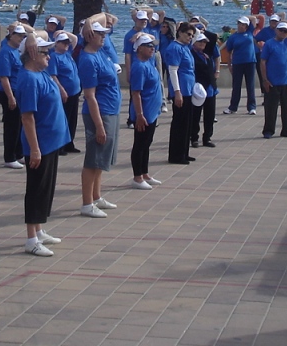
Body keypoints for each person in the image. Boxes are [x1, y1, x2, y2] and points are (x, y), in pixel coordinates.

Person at [13, 30, 68, 256]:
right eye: (44, 53)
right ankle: (31, 239)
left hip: (51, 142)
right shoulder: (28, 79)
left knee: (46, 189)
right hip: (41, 144)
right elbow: (27, 117)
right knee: (36, 190)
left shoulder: (42, 73)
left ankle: (39, 229)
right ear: (33, 54)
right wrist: (34, 149)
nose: (49, 56)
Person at [78, 17, 121, 218]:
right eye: (100, 33)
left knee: (102, 158)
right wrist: (99, 126)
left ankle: (96, 196)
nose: (104, 36)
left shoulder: (101, 52)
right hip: (100, 112)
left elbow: (106, 16)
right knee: (93, 158)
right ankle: (87, 203)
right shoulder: (87, 59)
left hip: (111, 109)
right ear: (89, 36)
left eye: (104, 33)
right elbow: (89, 95)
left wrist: (90, 21)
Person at [128, 32, 163, 189]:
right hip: (144, 112)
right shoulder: (139, 67)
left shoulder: (149, 62)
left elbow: (156, 39)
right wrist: (139, 115)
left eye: (152, 46)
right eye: (148, 46)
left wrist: (142, 33)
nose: (152, 48)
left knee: (147, 143)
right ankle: (137, 177)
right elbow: (136, 93)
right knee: (140, 144)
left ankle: (145, 173)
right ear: (140, 48)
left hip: (152, 111)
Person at [259, 20, 287, 138]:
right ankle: (268, 130)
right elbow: (263, 62)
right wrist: (265, 79)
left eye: (285, 31)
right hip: (272, 81)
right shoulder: (269, 44)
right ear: (276, 30)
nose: (283, 33)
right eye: (281, 30)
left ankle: (286, 130)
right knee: (271, 107)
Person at [166, 22, 197, 165]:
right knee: (179, 123)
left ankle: (184, 152)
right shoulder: (175, 48)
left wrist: (193, 26)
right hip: (181, 89)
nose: (190, 37)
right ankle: (176, 155)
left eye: (191, 35)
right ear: (180, 33)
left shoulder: (185, 47)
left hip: (188, 88)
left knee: (187, 123)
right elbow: (173, 71)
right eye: (188, 34)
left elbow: (198, 34)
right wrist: (177, 92)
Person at [0, 24, 27, 170]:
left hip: (18, 90)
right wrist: (10, 97)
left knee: (20, 125)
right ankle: (9, 157)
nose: (21, 38)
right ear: (11, 35)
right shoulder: (5, 52)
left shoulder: (16, 51)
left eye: (23, 36)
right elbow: (4, 77)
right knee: (12, 126)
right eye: (19, 35)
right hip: (9, 91)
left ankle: (18, 153)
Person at [47, 31, 81, 154]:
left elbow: (75, 39)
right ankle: (60, 145)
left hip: (75, 92)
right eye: (63, 43)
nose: (66, 45)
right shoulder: (54, 57)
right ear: (57, 43)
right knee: (63, 119)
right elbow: (53, 75)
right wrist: (61, 90)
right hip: (65, 93)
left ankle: (69, 143)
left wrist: (63, 32)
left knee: (72, 119)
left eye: (67, 43)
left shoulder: (67, 53)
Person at [221, 15, 258, 115]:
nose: (240, 26)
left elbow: (254, 19)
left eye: (243, 24)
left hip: (250, 62)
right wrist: (229, 65)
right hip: (237, 63)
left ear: (246, 26)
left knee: (250, 85)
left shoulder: (249, 32)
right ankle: (233, 107)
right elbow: (229, 52)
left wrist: (244, 16)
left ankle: (251, 107)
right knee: (236, 86)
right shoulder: (233, 37)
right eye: (239, 24)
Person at [190, 30, 218, 149]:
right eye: (200, 41)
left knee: (210, 115)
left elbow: (214, 36)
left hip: (210, 88)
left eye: (204, 42)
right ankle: (194, 138)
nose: (202, 44)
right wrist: (195, 31)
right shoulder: (191, 53)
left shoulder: (207, 53)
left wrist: (202, 30)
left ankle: (207, 138)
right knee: (196, 115)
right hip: (199, 89)